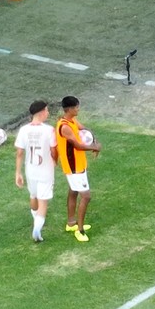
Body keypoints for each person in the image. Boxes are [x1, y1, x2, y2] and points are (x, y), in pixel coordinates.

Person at [55, 95, 98, 240]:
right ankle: (79, 230)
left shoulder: (70, 120)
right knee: (86, 196)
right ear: (71, 109)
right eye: (77, 107)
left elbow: (84, 129)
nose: (79, 109)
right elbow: (78, 145)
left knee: (73, 191)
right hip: (73, 167)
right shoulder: (65, 127)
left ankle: (71, 222)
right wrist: (94, 146)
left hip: (78, 164)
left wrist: (94, 139)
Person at [14, 100, 54, 242]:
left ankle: (36, 218)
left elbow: (19, 153)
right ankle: (37, 228)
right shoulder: (49, 130)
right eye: (47, 110)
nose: (48, 113)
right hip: (46, 169)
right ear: (42, 112)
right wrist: (55, 160)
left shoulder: (24, 130)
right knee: (43, 201)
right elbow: (54, 149)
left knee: (33, 195)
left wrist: (18, 172)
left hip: (30, 169)